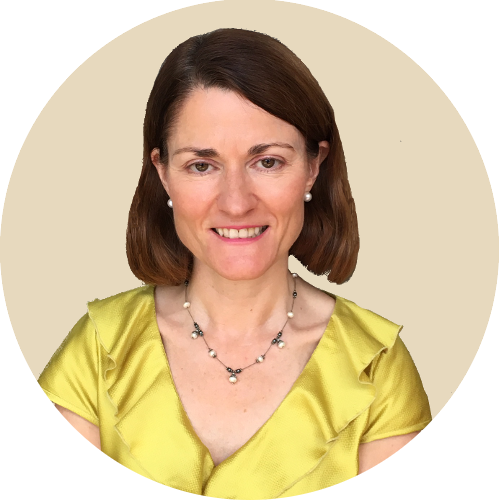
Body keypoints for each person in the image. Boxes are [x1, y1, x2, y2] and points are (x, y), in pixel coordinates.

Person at [38, 28, 432, 498]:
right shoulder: (100, 348)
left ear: (313, 166)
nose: (236, 202)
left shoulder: (376, 366)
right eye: (202, 165)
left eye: (267, 162)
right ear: (163, 173)